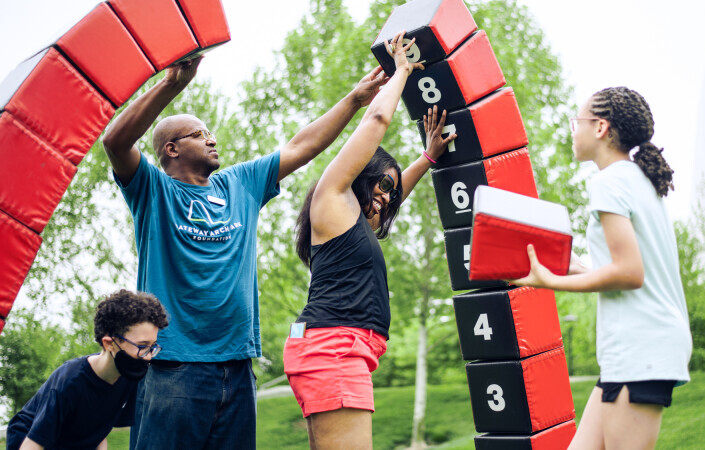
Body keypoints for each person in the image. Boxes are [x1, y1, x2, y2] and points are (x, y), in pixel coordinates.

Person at [100, 55, 388, 449]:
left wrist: (354, 99)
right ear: (171, 149)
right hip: (173, 367)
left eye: (209, 133)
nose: (212, 139)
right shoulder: (152, 189)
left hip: (236, 368)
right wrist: (173, 84)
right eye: (199, 135)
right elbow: (114, 142)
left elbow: (301, 146)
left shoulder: (240, 184)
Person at [283, 32, 454, 449]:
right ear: (360, 175)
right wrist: (401, 72)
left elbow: (395, 194)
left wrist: (428, 158)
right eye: (380, 184)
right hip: (334, 348)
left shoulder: (354, 221)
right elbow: (376, 122)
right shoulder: (333, 197)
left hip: (340, 347)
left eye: (390, 193)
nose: (385, 196)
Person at [511, 87, 692, 449]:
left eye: (576, 122)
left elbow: (630, 273)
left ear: (600, 128)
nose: (572, 130)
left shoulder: (609, 182)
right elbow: (632, 267)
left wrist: (553, 281)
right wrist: (578, 269)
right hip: (635, 351)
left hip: (641, 349)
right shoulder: (636, 180)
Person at [5, 290, 168, 450]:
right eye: (142, 346)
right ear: (109, 343)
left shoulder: (129, 377)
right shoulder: (69, 384)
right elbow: (32, 445)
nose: (148, 357)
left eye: (152, 346)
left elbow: (98, 430)